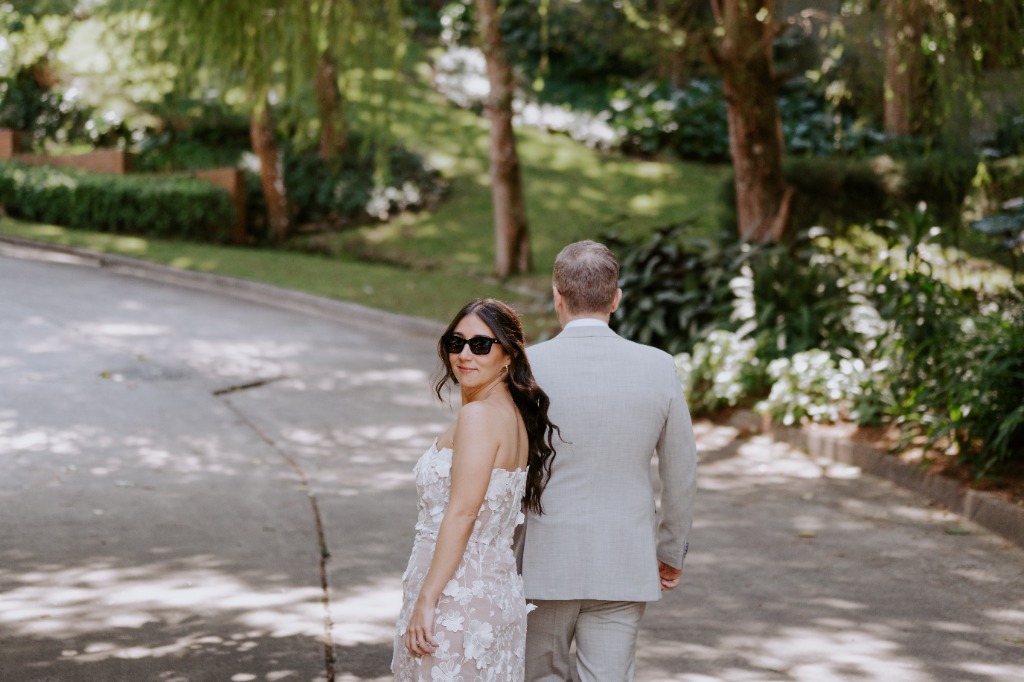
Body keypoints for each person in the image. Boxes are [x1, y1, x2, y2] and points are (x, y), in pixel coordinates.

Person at [520, 240, 697, 682]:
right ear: (616, 298)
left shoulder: (525, 367)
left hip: (542, 559)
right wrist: (671, 550)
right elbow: (681, 473)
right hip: (623, 557)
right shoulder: (658, 366)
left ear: (557, 296)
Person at [393, 298, 559, 681]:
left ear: (508, 355)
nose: (465, 354)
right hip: (490, 591)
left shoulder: (479, 415)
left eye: (481, 344)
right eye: (457, 343)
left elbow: (464, 512)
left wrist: (428, 599)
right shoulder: (511, 413)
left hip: (455, 597)